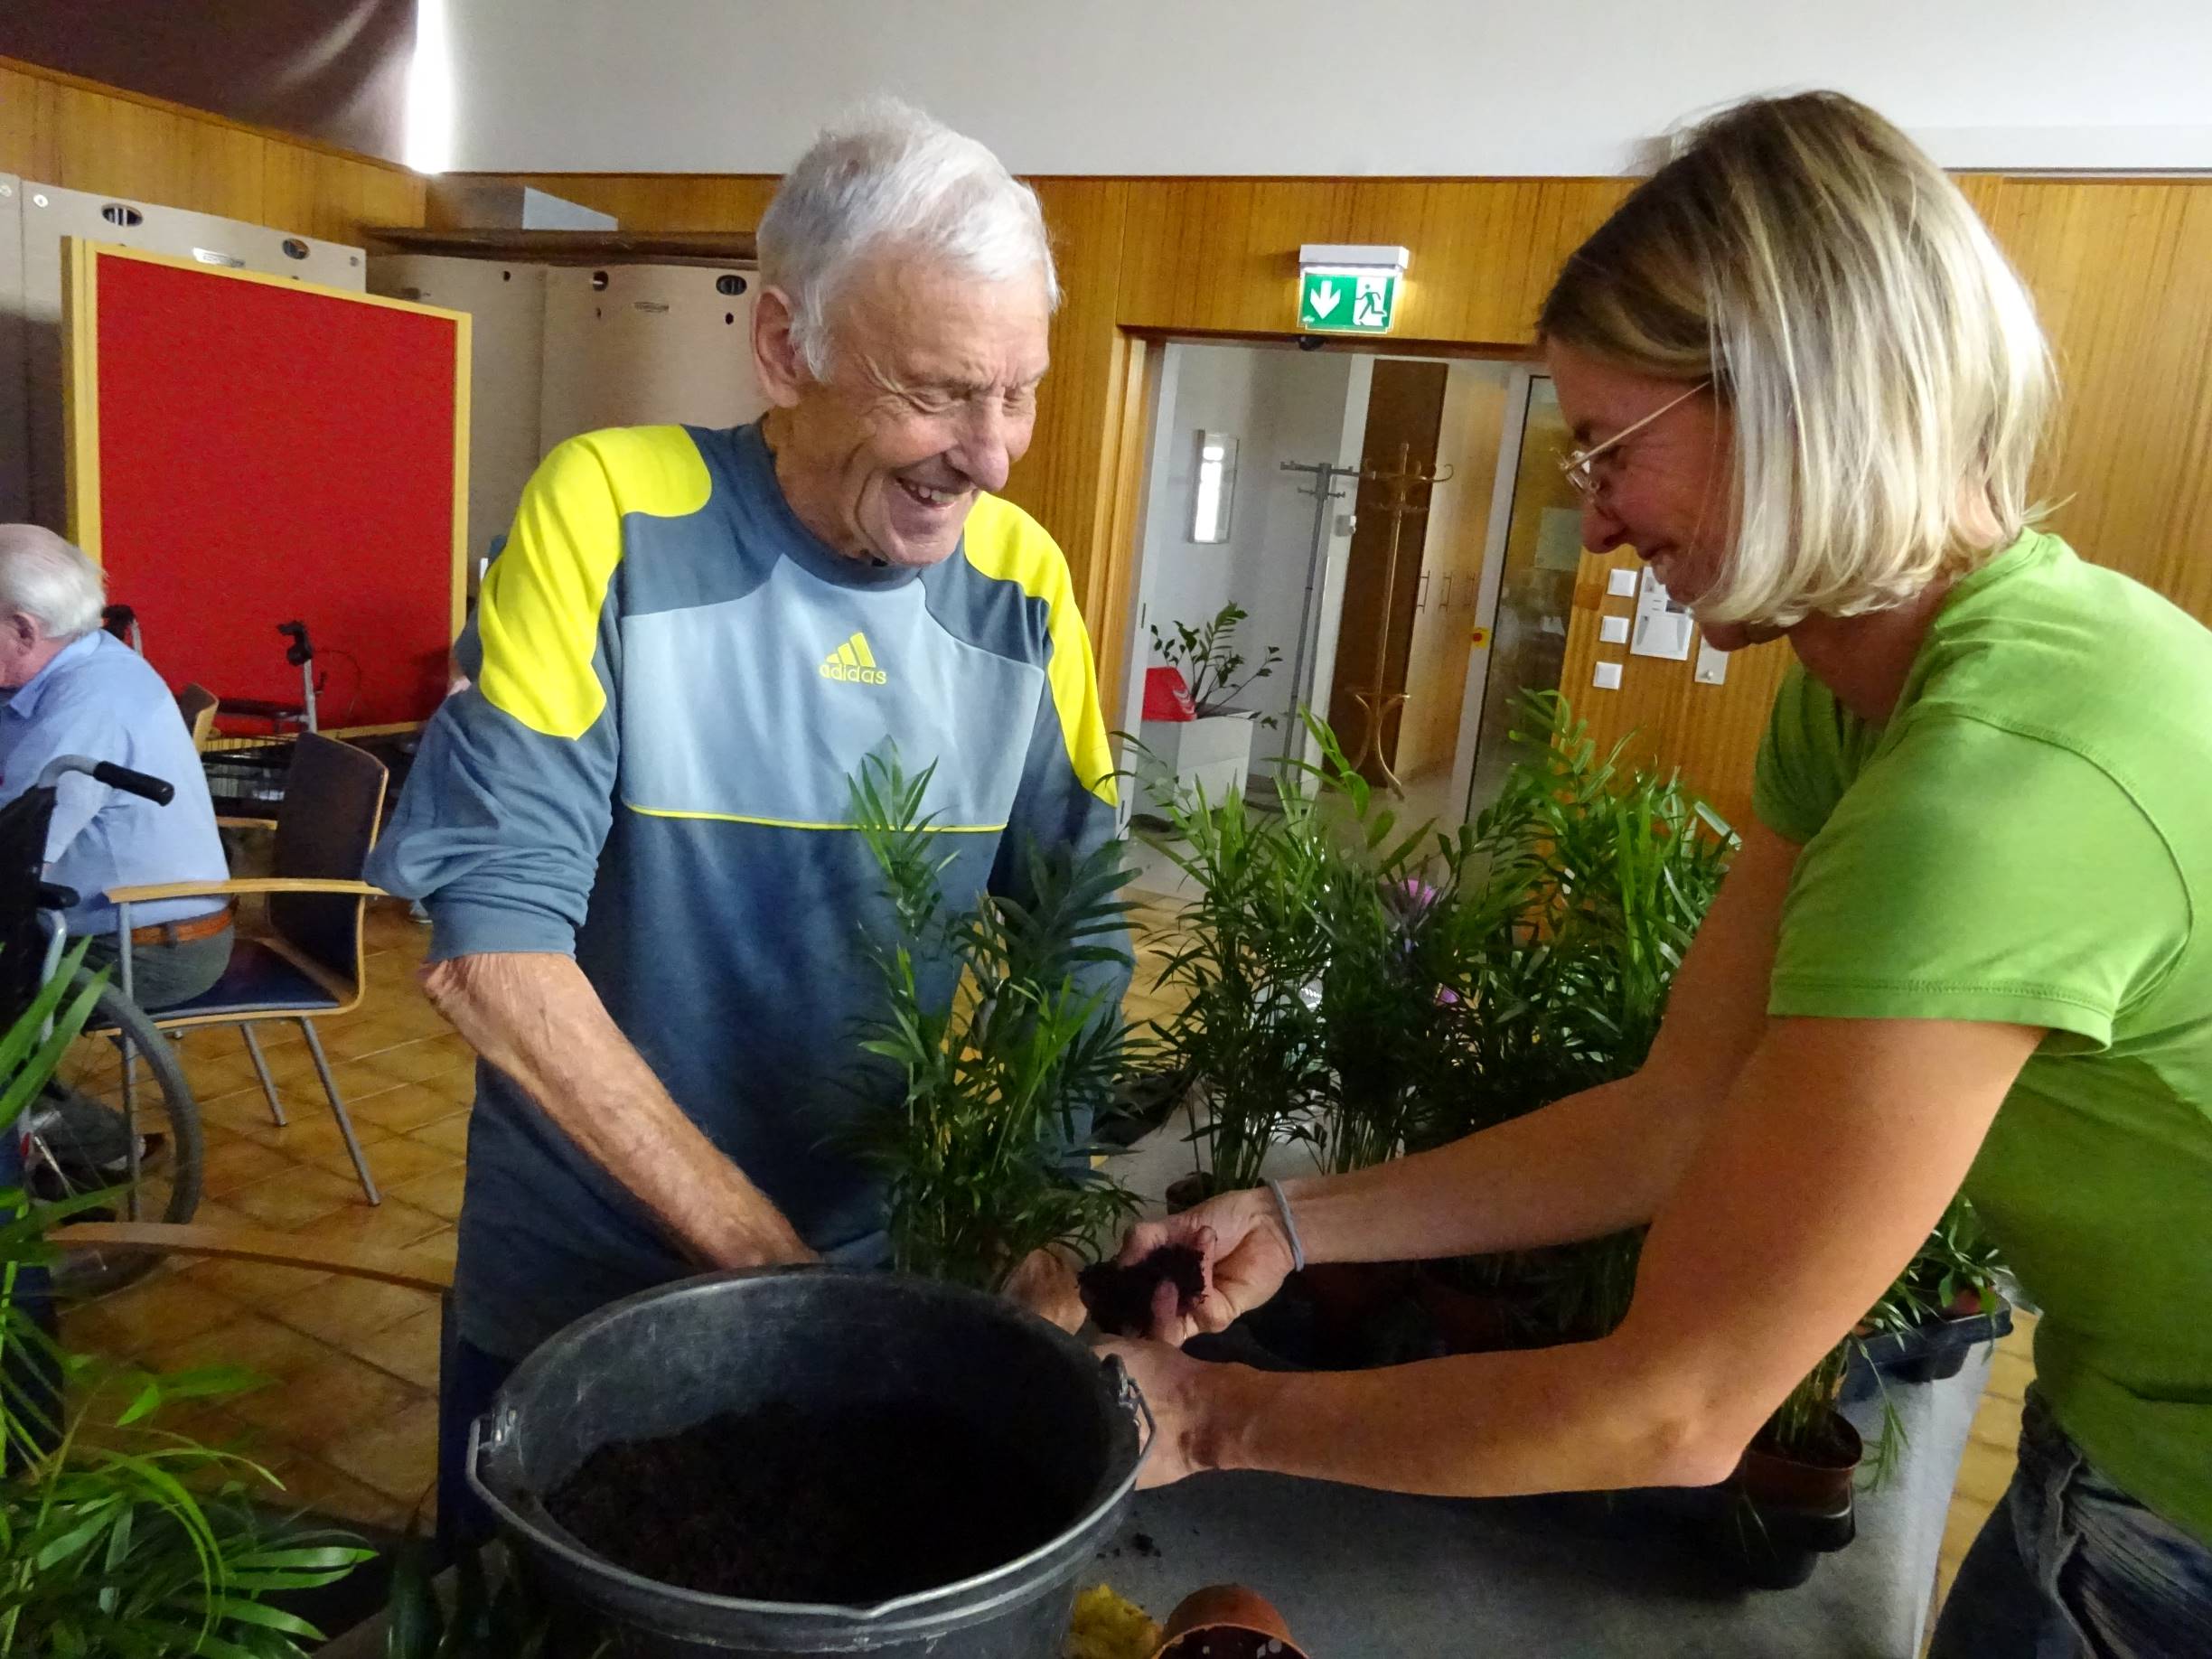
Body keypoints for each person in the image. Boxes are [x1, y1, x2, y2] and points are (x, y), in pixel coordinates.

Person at [1100, 91, 2212, 1656]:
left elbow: (1679, 1406)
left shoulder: (1996, 779)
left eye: (1611, 450)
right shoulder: (1857, 699)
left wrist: (1212, 1418)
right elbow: (1677, 1112)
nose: (1601, 524)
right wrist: (1293, 1219)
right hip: (2118, 1426)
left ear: (1807, 398)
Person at [365, 102, 1123, 1535]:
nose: (991, 455)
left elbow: (1074, 934)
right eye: (940, 393)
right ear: (785, 345)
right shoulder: (611, 515)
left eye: (1019, 393)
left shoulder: (1023, 582)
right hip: (583, 1298)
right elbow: (493, 956)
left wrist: (1039, 1215)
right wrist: (778, 1277)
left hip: (875, 1283)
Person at [0, 524, 232, 1008]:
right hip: (109, 927)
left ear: (24, 630)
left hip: (142, 949)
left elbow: (13, 855)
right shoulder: (81, 654)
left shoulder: (90, 705)